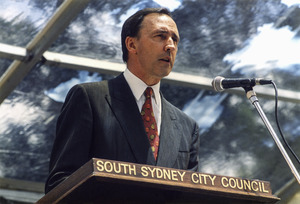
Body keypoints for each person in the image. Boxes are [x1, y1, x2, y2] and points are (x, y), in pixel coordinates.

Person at [45, 7, 200, 194]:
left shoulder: (187, 127)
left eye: (175, 39)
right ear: (131, 44)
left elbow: (191, 196)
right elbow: (61, 184)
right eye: (160, 36)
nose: (170, 46)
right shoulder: (90, 99)